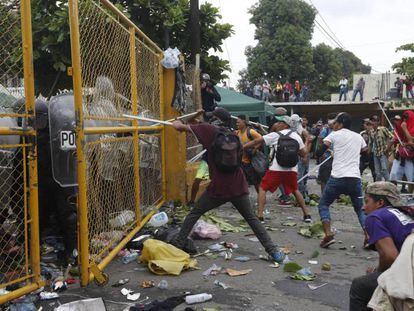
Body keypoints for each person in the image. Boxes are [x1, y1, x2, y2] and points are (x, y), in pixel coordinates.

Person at [170, 107, 286, 263]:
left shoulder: (208, 130)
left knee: (194, 213)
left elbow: (180, 127)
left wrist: (176, 122)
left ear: (215, 119)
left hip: (218, 188)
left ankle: (177, 246)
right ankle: (274, 252)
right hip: (238, 185)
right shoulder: (235, 135)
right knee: (252, 219)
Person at [349, 181, 414, 311]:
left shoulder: (375, 217)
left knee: (359, 286)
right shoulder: (404, 213)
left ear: (380, 203)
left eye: (367, 202)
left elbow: (390, 256)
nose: (363, 207)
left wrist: (379, 271)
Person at [244, 115, 312, 223]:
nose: (277, 124)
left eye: (280, 122)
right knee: (295, 190)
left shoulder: (275, 135)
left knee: (262, 188)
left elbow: (256, 141)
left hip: (276, 169)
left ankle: (260, 215)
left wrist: (242, 147)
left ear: (285, 125)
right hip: (291, 169)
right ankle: (307, 215)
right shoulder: (296, 136)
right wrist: (308, 142)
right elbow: (304, 153)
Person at [316, 112, 368, 248]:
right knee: (360, 209)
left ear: (340, 124)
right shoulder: (358, 137)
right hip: (354, 178)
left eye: (335, 123)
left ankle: (327, 234)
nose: (334, 125)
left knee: (323, 204)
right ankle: (368, 236)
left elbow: (319, 152)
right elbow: (366, 153)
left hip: (337, 178)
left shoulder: (334, 135)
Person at [236, 115, 263, 193]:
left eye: (238, 122)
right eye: (236, 122)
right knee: (240, 182)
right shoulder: (237, 132)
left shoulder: (251, 132)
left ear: (244, 122)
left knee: (256, 182)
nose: (237, 124)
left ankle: (260, 198)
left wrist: (254, 149)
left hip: (251, 162)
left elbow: (261, 140)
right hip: (241, 162)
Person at [390, 110, 414, 184]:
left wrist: (405, 129)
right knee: (393, 175)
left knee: (411, 178)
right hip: (400, 156)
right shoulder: (402, 125)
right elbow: (398, 136)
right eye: (403, 117)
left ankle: (411, 194)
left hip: (411, 158)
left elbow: (411, 141)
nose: (405, 120)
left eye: (407, 118)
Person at [291, 114, 311, 202]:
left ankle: (302, 195)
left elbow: (309, 141)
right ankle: (301, 195)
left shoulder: (303, 131)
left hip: (302, 156)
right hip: (295, 156)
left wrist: (305, 155)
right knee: (299, 176)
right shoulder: (292, 131)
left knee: (301, 177)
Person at [370, 115, 393, 181]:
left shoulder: (383, 129)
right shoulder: (371, 132)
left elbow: (392, 138)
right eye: (372, 121)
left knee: (385, 170)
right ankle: (379, 187)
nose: (373, 122)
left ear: (378, 122)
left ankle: (389, 185)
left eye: (375, 121)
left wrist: (387, 149)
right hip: (376, 154)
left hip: (383, 153)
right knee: (377, 173)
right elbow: (370, 143)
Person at [317, 114, 336, 193]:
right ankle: (324, 194)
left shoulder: (339, 131)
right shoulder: (326, 130)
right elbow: (320, 143)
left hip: (337, 158)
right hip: (326, 157)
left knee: (334, 177)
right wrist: (329, 151)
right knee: (324, 177)